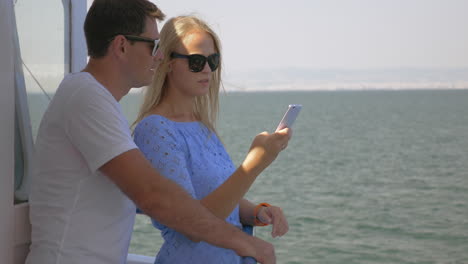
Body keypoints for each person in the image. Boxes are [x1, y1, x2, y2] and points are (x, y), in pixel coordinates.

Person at [25, 0, 290, 264]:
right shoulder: (86, 98)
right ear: (121, 46)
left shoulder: (98, 101)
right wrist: (246, 242)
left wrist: (253, 212)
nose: (159, 56)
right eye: (153, 46)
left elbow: (163, 195)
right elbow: (155, 196)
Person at [132, 15, 291, 263]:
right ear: (168, 62)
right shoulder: (155, 131)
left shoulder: (201, 126)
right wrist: (254, 164)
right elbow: (194, 224)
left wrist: (259, 212)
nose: (207, 69)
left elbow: (222, 204)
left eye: (212, 60)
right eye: (196, 61)